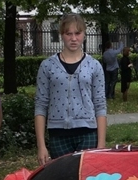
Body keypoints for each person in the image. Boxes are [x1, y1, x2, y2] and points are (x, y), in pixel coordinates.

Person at [34, 13, 107, 164]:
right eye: (69, 34)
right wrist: (41, 145)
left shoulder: (94, 66)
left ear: (84, 34)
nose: (73, 38)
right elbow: (41, 105)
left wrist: (101, 145)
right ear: (62, 35)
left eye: (78, 33)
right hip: (58, 135)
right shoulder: (47, 66)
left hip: (87, 133)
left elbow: (100, 105)